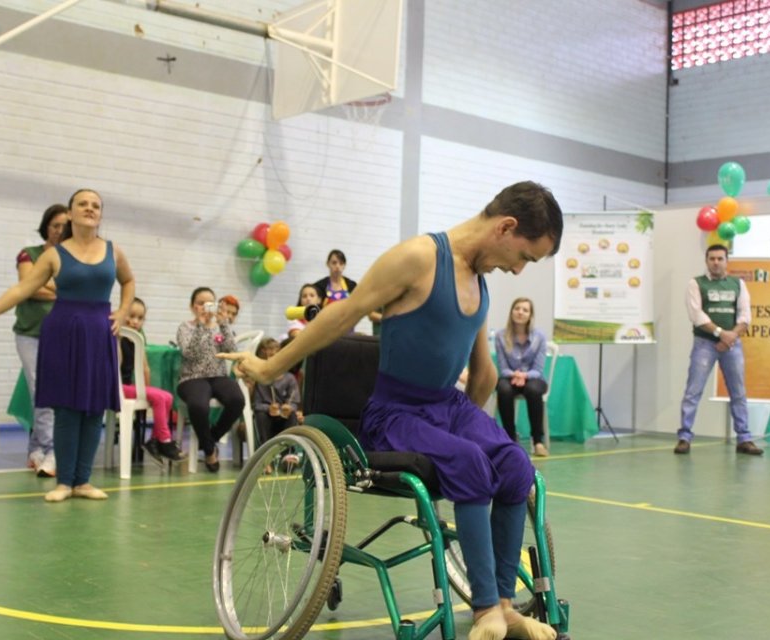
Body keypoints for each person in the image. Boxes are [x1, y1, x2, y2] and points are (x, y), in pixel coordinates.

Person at [223, 181, 563, 640]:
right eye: (526, 256)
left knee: (515, 463)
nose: (520, 270)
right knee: (470, 462)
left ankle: (505, 606)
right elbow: (340, 317)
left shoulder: (480, 284)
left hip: (447, 407)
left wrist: (464, 426)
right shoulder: (419, 258)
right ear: (507, 227)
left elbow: (482, 373)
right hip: (396, 412)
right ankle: (486, 611)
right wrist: (270, 367)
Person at [0, 189, 136, 501]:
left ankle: (83, 481)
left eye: (96, 205)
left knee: (94, 409)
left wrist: (121, 311)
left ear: (101, 214)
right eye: (83, 204)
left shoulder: (113, 251)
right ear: (71, 212)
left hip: (98, 331)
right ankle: (65, 482)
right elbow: (23, 288)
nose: (90, 209)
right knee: (66, 409)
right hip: (63, 332)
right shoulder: (54, 254)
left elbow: (129, 281)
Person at [675, 244, 762, 456]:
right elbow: (697, 316)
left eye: (720, 259)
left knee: (738, 392)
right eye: (712, 258)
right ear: (706, 261)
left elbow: (745, 316)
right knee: (693, 392)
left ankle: (744, 439)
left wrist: (730, 337)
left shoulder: (738, 284)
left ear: (726, 261)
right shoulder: (695, 284)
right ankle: (684, 438)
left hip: (732, 345)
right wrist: (721, 334)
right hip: (704, 344)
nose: (716, 262)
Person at [14, 203, 68, 477]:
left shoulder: (72, 258)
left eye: (64, 226)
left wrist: (44, 285)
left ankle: (36, 448)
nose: (59, 230)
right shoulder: (29, 254)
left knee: (55, 392)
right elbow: (28, 287)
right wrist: (57, 290)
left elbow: (70, 289)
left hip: (63, 335)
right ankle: (51, 451)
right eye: (54, 225)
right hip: (30, 333)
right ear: (46, 226)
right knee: (41, 391)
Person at [176, 287, 245, 472]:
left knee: (237, 400)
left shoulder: (219, 328)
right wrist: (200, 325)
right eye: (200, 303)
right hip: (192, 378)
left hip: (218, 376)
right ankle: (209, 451)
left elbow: (232, 350)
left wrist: (223, 324)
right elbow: (189, 353)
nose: (204, 307)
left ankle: (208, 440)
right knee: (199, 405)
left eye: (209, 303)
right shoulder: (185, 327)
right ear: (192, 307)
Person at [121, 297, 184, 463]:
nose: (135, 321)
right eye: (131, 316)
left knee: (167, 396)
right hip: (116, 386)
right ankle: (165, 440)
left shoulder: (138, 337)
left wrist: (146, 392)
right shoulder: (117, 335)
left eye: (140, 318)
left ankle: (154, 441)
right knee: (158, 396)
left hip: (129, 386)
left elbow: (145, 368)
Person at [495, 298, 550, 457]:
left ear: (530, 315)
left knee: (533, 389)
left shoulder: (539, 336)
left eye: (525, 310)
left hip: (534, 378)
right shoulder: (500, 336)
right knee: (503, 388)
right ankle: (510, 439)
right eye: (517, 308)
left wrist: (524, 375)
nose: (520, 312)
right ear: (511, 311)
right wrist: (515, 375)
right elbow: (503, 367)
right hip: (510, 377)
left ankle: (537, 441)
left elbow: (538, 369)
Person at [251, 337, 300, 445]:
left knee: (292, 415)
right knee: (261, 415)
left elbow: (295, 401)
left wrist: (289, 407)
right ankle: (265, 452)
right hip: (267, 415)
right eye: (269, 356)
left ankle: (289, 451)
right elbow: (256, 405)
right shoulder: (261, 380)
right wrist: (268, 408)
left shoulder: (289, 378)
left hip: (284, 415)